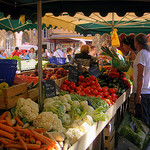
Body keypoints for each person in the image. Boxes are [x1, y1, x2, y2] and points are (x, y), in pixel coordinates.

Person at [133, 33, 150, 127]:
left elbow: (141, 75)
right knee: (147, 119)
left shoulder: (142, 54)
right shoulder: (148, 53)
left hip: (143, 93)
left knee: (143, 122)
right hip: (147, 91)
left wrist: (138, 95)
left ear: (137, 43)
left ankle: (145, 141)